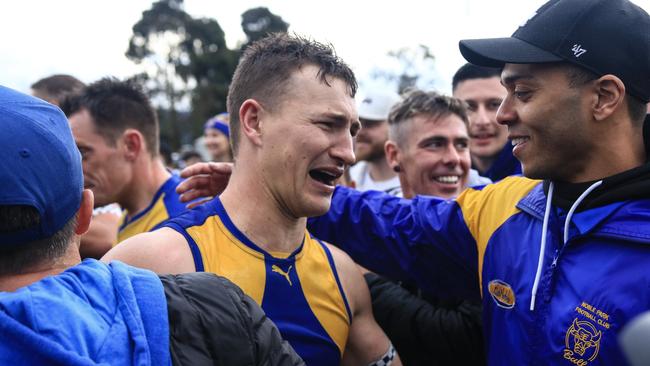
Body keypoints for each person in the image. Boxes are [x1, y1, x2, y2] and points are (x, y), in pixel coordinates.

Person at [178, 1, 650, 364]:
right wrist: (274, 182)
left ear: (605, 97)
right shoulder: (511, 206)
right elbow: (398, 225)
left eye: (523, 93)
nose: (504, 115)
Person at [103, 34, 400, 366]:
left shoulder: (342, 275)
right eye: (328, 124)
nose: (348, 152)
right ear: (254, 122)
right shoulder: (149, 263)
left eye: (352, 132)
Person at [0, 85, 303, 365]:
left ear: (131, 144)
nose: (84, 168)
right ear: (85, 213)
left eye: (85, 153)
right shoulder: (130, 223)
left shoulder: (189, 216)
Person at [371, 89, 486, 365]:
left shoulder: (490, 226)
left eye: (461, 145)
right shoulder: (367, 228)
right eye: (435, 144)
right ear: (393, 155)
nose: (454, 159)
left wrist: (366, 282)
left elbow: (463, 340)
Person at [61, 77, 188, 244]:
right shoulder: (133, 215)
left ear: (130, 145)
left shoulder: (180, 226)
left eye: (82, 153)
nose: (73, 169)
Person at [452, 63, 521, 182]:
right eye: (468, 107)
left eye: (494, 105)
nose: (482, 121)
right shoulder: (440, 178)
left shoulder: (540, 178)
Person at [349, 89, 402, 194]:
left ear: (397, 128)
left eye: (370, 123)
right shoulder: (349, 179)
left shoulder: (417, 185)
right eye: (357, 123)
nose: (359, 132)